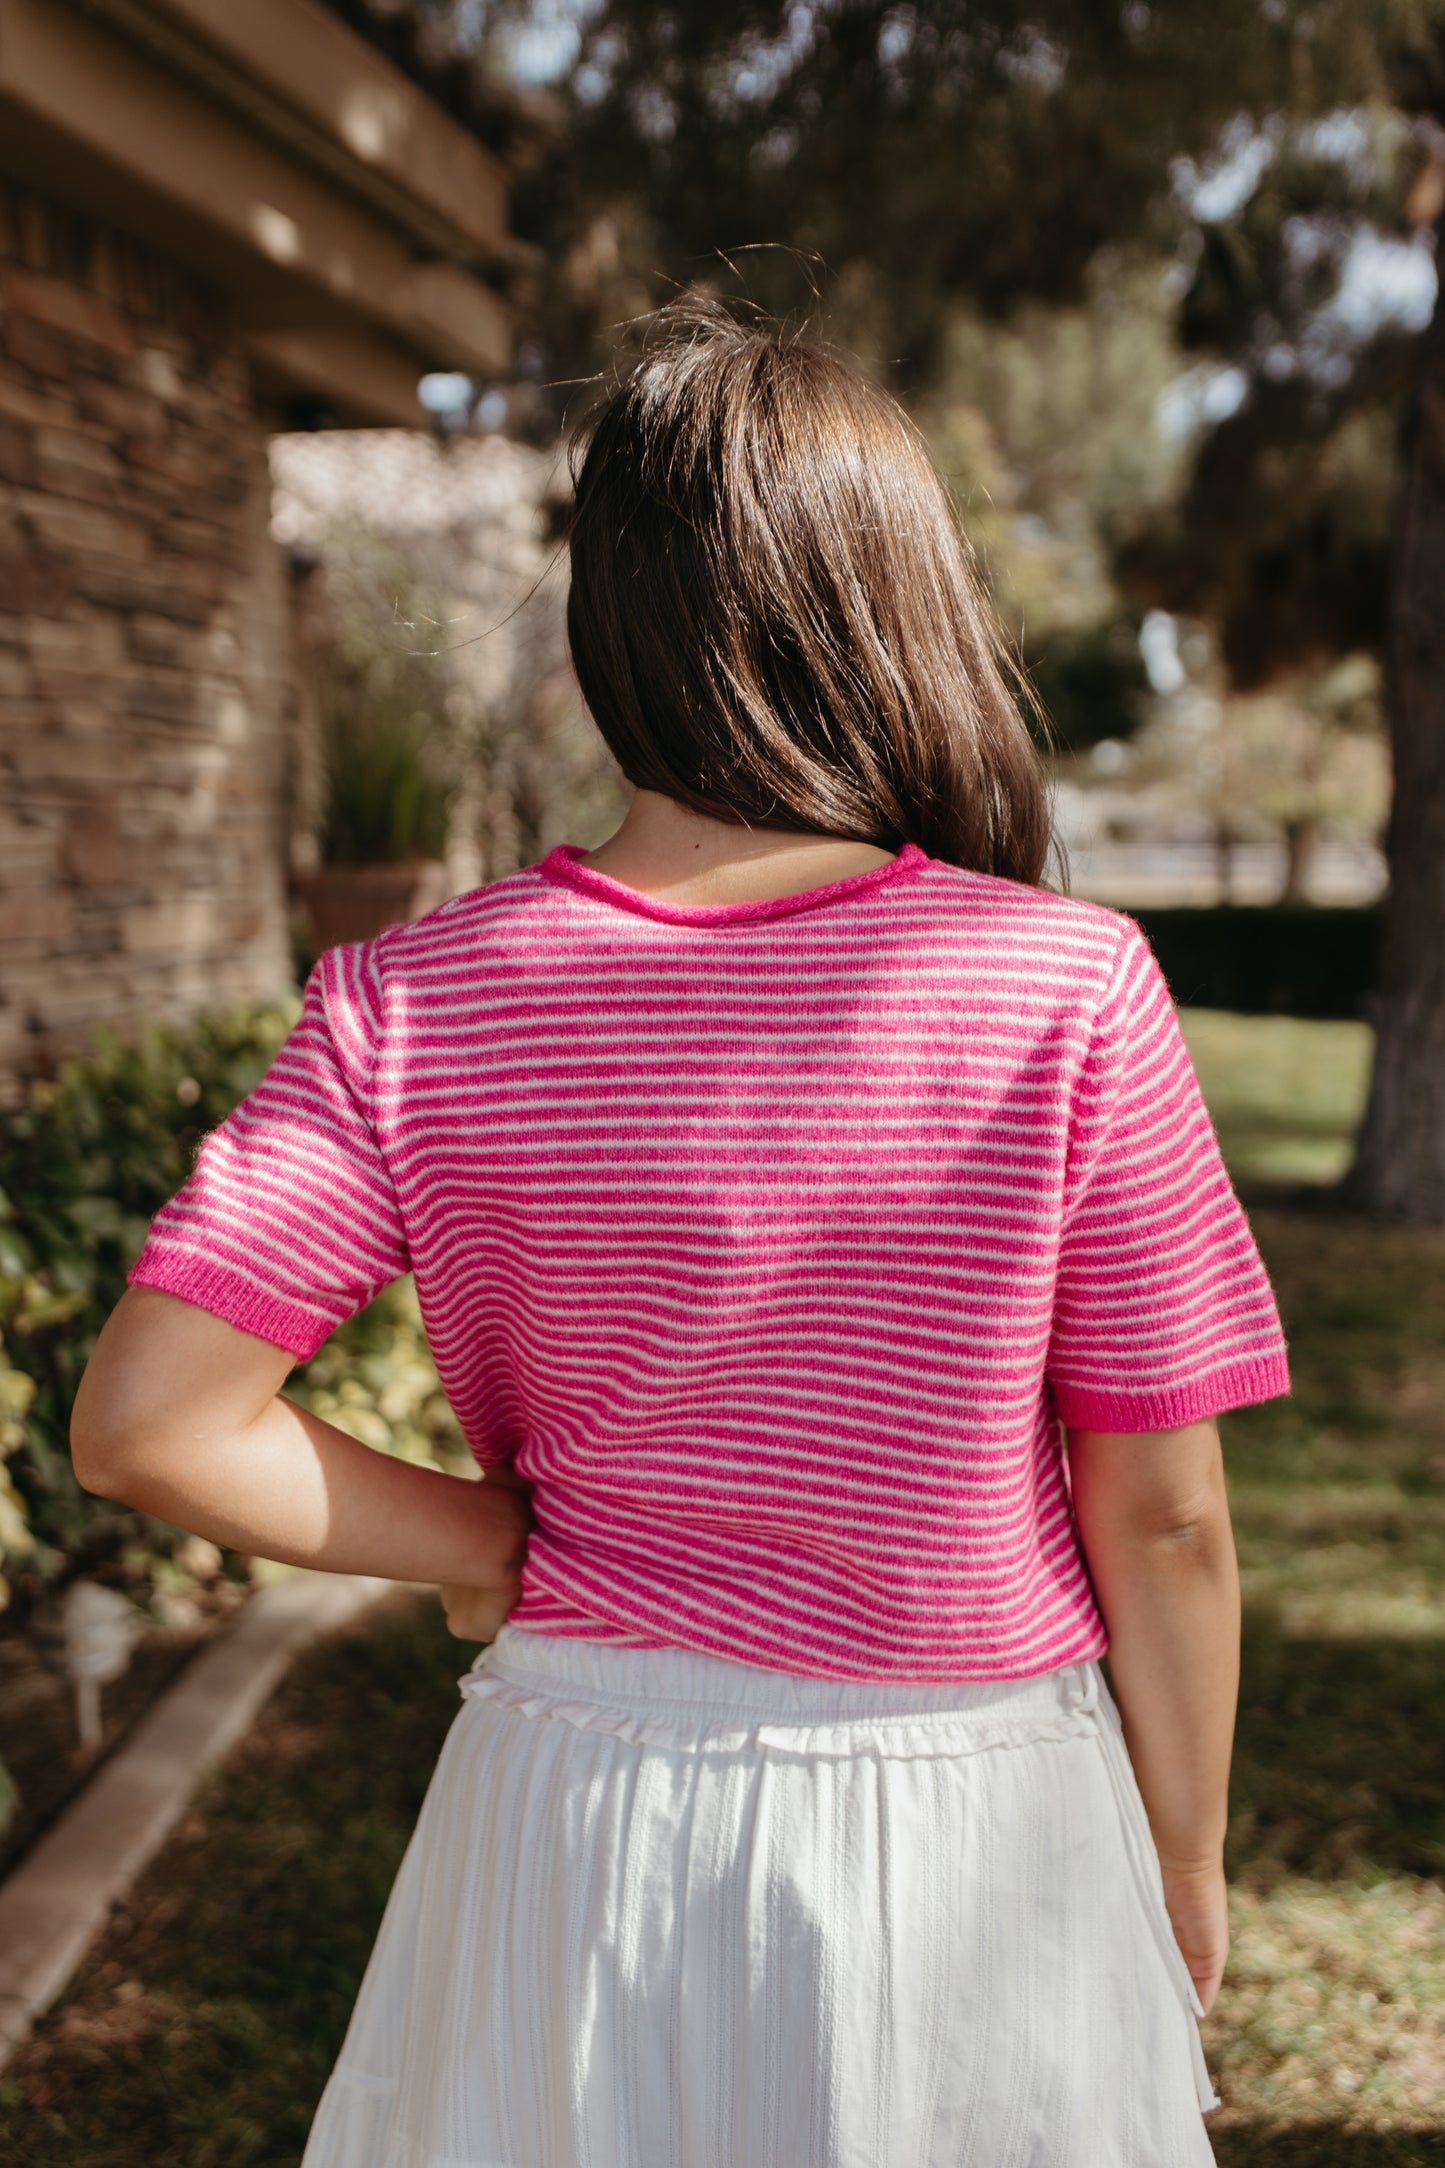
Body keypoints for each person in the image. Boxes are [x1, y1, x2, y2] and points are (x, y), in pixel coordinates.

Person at [71, 297, 1289, 2167]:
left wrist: (480, 1537)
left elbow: (154, 1419)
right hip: (975, 1817)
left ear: (607, 629)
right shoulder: (1062, 984)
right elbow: (1169, 1512)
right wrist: (1183, 1852)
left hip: (574, 1812)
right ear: (899, 613)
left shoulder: (418, 999)